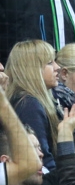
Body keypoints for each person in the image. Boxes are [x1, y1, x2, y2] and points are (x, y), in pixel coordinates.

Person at [6, 40, 61, 171]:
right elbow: (43, 161)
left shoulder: (28, 101)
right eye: (49, 63)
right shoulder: (29, 105)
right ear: (32, 70)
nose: (57, 67)